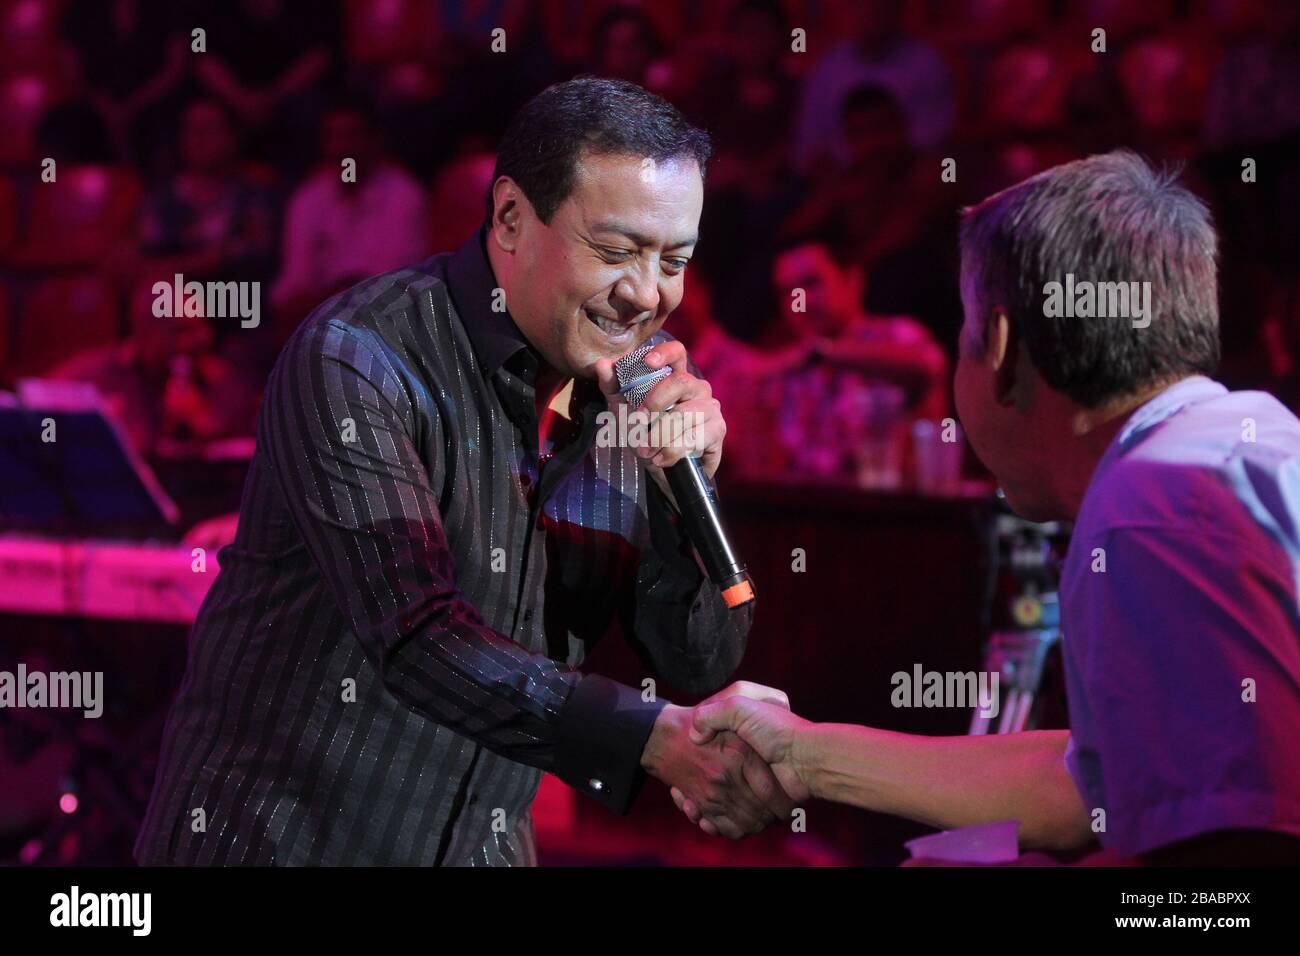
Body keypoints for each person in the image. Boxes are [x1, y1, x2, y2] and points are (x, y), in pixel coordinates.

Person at [134, 78, 791, 867]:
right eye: (616, 251)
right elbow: (416, 634)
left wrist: (678, 491)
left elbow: (696, 661)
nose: (646, 294)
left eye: (673, 260)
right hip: (280, 844)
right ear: (511, 217)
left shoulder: (632, 396)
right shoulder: (359, 359)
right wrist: (648, 738)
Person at [678, 151, 1300, 864]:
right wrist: (804, 755)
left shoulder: (1151, 511)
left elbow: (1231, 872)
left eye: (964, 330)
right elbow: (1087, 784)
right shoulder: (1238, 441)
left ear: (1000, 349)